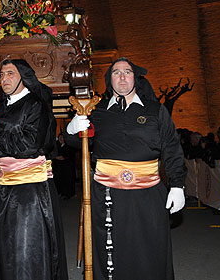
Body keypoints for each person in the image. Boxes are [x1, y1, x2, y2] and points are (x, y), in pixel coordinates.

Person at [65, 57, 186, 280]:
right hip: (107, 194)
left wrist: (177, 185)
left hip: (148, 193)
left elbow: (171, 147)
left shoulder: (155, 110)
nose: (122, 76)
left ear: (135, 79)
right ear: (109, 80)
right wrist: (72, 129)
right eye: (116, 72)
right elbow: (78, 144)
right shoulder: (96, 111)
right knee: (111, 248)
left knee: (149, 247)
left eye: (127, 72)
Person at [0, 59, 66, 280]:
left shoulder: (35, 104)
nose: (4, 79)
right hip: (2, 189)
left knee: (26, 249)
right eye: (2, 75)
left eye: (10, 74)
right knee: (4, 247)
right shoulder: (2, 106)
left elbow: (30, 143)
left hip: (28, 191)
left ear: (23, 77)